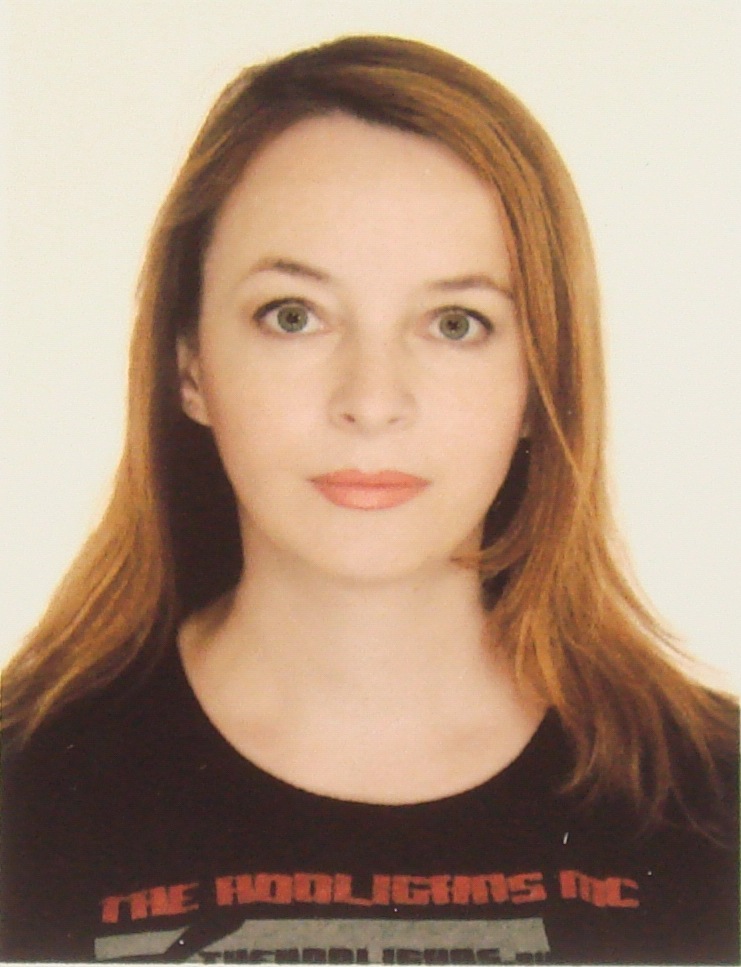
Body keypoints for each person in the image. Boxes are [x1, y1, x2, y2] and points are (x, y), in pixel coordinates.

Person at [0, 34, 737, 965]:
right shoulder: (24, 793)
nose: (372, 400)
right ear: (189, 364)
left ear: (539, 380)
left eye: (455, 323)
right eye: (294, 316)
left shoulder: (715, 806)